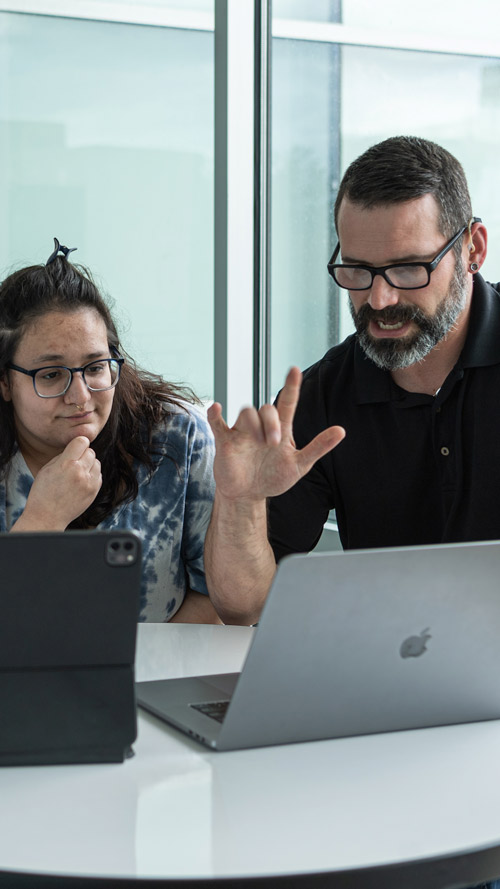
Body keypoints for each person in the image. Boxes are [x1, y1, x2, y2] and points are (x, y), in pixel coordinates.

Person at [204, 135, 494, 626]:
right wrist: (240, 502)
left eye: (407, 269)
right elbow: (242, 607)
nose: (379, 299)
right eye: (357, 270)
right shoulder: (323, 396)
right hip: (392, 676)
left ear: (473, 249)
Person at [0, 239, 220, 623]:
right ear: (5, 382)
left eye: (96, 367)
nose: (81, 395)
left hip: (154, 679)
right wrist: (43, 519)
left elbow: (218, 600)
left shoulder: (176, 437)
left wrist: (135, 677)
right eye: (51, 375)